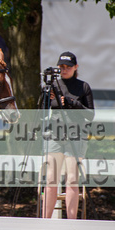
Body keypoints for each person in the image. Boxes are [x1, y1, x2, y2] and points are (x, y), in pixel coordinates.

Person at [42, 52, 95, 219]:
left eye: (68, 67)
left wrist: (73, 103)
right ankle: (45, 222)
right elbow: (44, 107)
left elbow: (90, 114)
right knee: (51, 179)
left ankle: (72, 223)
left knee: (72, 179)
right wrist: (51, 96)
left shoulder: (83, 87)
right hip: (55, 134)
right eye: (61, 67)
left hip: (76, 135)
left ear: (75, 68)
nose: (64, 70)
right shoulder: (53, 86)